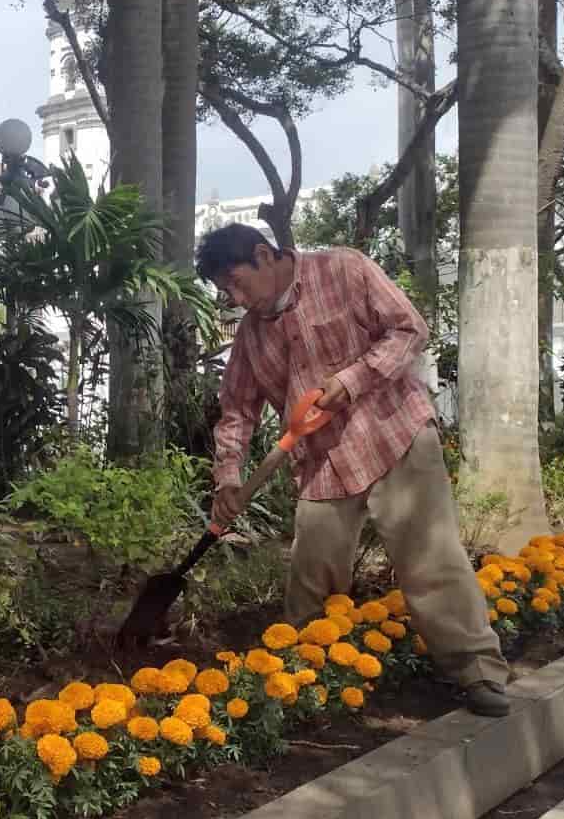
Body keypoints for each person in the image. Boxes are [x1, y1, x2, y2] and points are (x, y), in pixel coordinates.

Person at [197, 223, 511, 718]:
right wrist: (229, 478)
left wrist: (352, 379)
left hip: (394, 436)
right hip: (323, 462)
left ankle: (478, 671)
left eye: (237, 283)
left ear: (264, 254)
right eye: (224, 292)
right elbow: (236, 411)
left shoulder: (343, 268)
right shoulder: (251, 338)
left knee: (430, 562)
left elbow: (410, 329)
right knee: (311, 572)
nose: (235, 299)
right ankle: (301, 680)